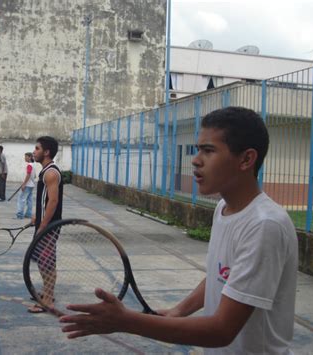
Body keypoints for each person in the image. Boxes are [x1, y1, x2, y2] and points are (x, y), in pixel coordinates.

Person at [60, 107, 298, 354]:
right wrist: (180, 310)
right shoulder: (223, 209)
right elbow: (222, 276)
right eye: (197, 150)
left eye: (208, 150)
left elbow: (222, 330)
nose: (195, 159)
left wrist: (126, 321)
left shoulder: (264, 225)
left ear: (246, 159)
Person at [28, 136, 64, 314]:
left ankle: (48, 300)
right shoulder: (45, 171)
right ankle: (47, 293)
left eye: (37, 148)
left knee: (47, 263)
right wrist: (37, 216)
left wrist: (43, 225)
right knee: (43, 261)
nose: (34, 152)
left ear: (46, 152)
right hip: (44, 223)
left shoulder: (51, 172)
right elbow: (45, 200)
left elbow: (54, 201)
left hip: (49, 227)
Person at [16, 152, 35, 219]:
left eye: (26, 156)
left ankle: (20, 215)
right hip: (31, 185)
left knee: (21, 199)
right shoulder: (33, 165)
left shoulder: (29, 165)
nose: (25, 158)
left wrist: (24, 184)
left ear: (30, 157)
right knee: (29, 200)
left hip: (27, 185)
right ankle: (28, 214)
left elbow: (28, 174)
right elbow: (34, 176)